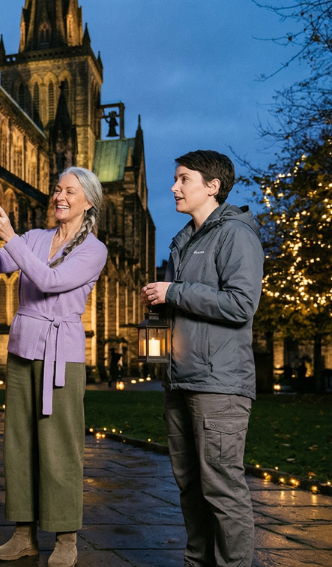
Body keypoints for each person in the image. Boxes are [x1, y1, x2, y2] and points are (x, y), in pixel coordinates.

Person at [0, 166, 108, 567]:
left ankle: (66, 537)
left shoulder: (94, 250)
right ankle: (24, 535)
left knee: (59, 446)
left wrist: (10, 236)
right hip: (22, 349)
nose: (59, 196)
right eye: (57, 189)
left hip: (61, 356)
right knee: (19, 444)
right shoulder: (36, 238)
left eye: (69, 191)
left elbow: (49, 281)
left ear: (88, 202)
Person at [141, 150, 263, 567]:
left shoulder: (235, 235)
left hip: (219, 384)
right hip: (181, 380)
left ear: (212, 186)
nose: (174, 187)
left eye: (183, 179)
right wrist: (161, 310)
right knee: (191, 486)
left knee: (222, 488)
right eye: (175, 179)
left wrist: (173, 292)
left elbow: (241, 304)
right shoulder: (183, 241)